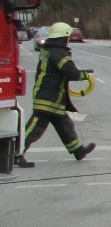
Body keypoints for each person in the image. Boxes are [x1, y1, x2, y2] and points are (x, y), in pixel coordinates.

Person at [14, 22, 96, 168]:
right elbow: (70, 72)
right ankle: (16, 154)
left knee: (65, 124)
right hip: (47, 98)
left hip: (50, 97)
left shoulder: (49, 50)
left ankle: (78, 150)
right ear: (64, 37)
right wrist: (84, 75)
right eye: (68, 37)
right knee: (35, 129)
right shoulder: (58, 53)